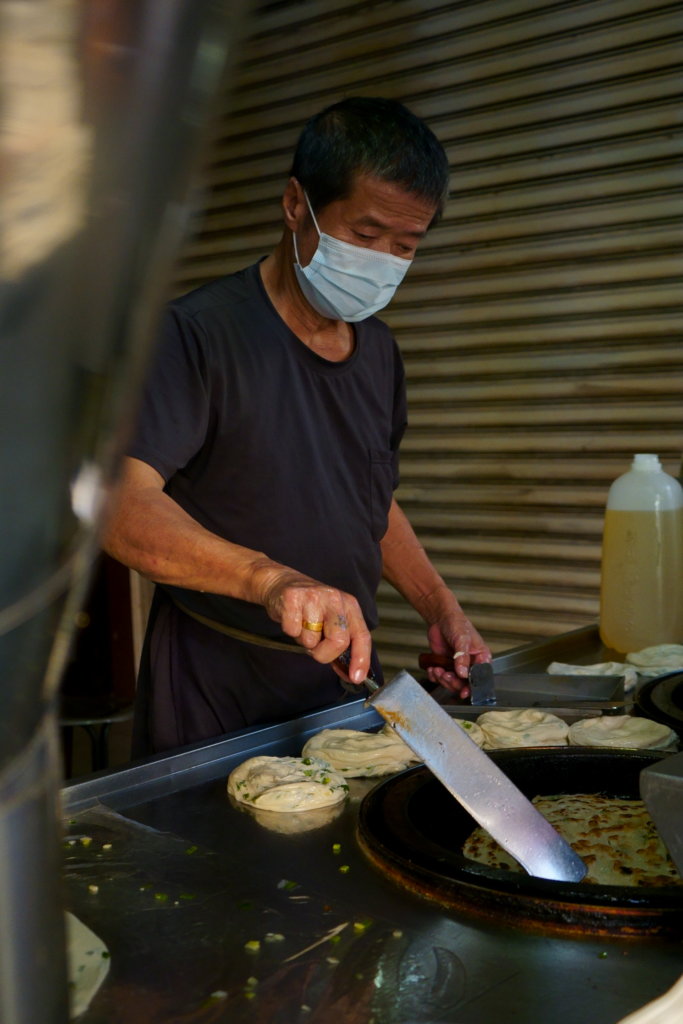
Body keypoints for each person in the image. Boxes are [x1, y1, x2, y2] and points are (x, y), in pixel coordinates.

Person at [103, 96, 492, 756]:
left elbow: (368, 498)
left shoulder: (379, 354)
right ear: (294, 204)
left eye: (404, 246)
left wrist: (438, 607)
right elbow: (120, 505)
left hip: (336, 688)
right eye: (366, 236)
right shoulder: (196, 336)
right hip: (214, 694)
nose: (383, 261)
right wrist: (270, 580)